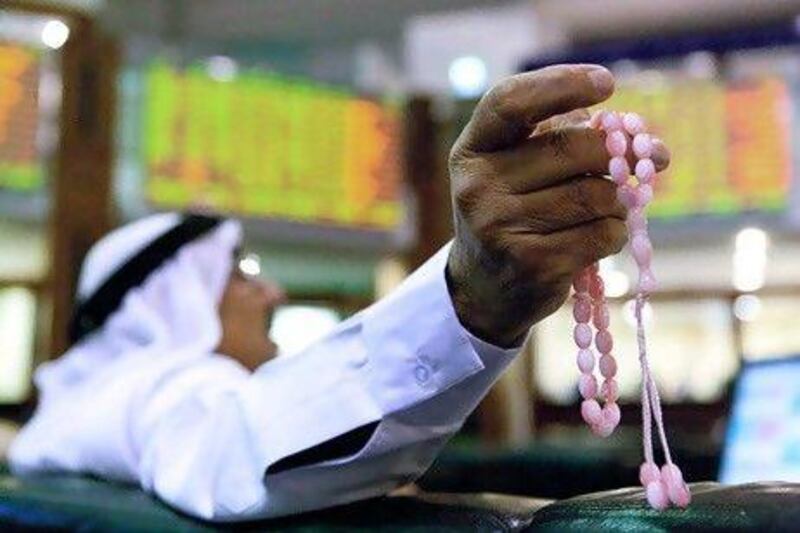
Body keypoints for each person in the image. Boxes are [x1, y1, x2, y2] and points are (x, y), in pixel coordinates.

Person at [9, 64, 669, 521]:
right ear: (171, 304)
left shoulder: (71, 413)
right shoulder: (145, 395)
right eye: (238, 274)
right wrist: (471, 297)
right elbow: (228, 450)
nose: (269, 290)